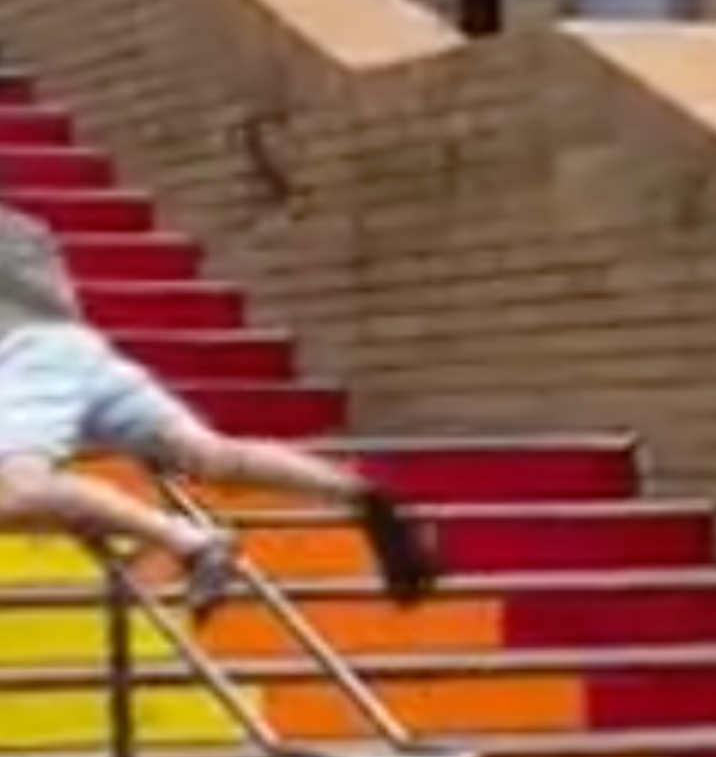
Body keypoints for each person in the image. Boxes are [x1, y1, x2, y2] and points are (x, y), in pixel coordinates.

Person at [0, 201, 439, 616]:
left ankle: (186, 538)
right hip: (80, 352)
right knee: (207, 454)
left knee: (17, 489)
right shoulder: (27, 229)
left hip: (28, 357)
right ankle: (363, 498)